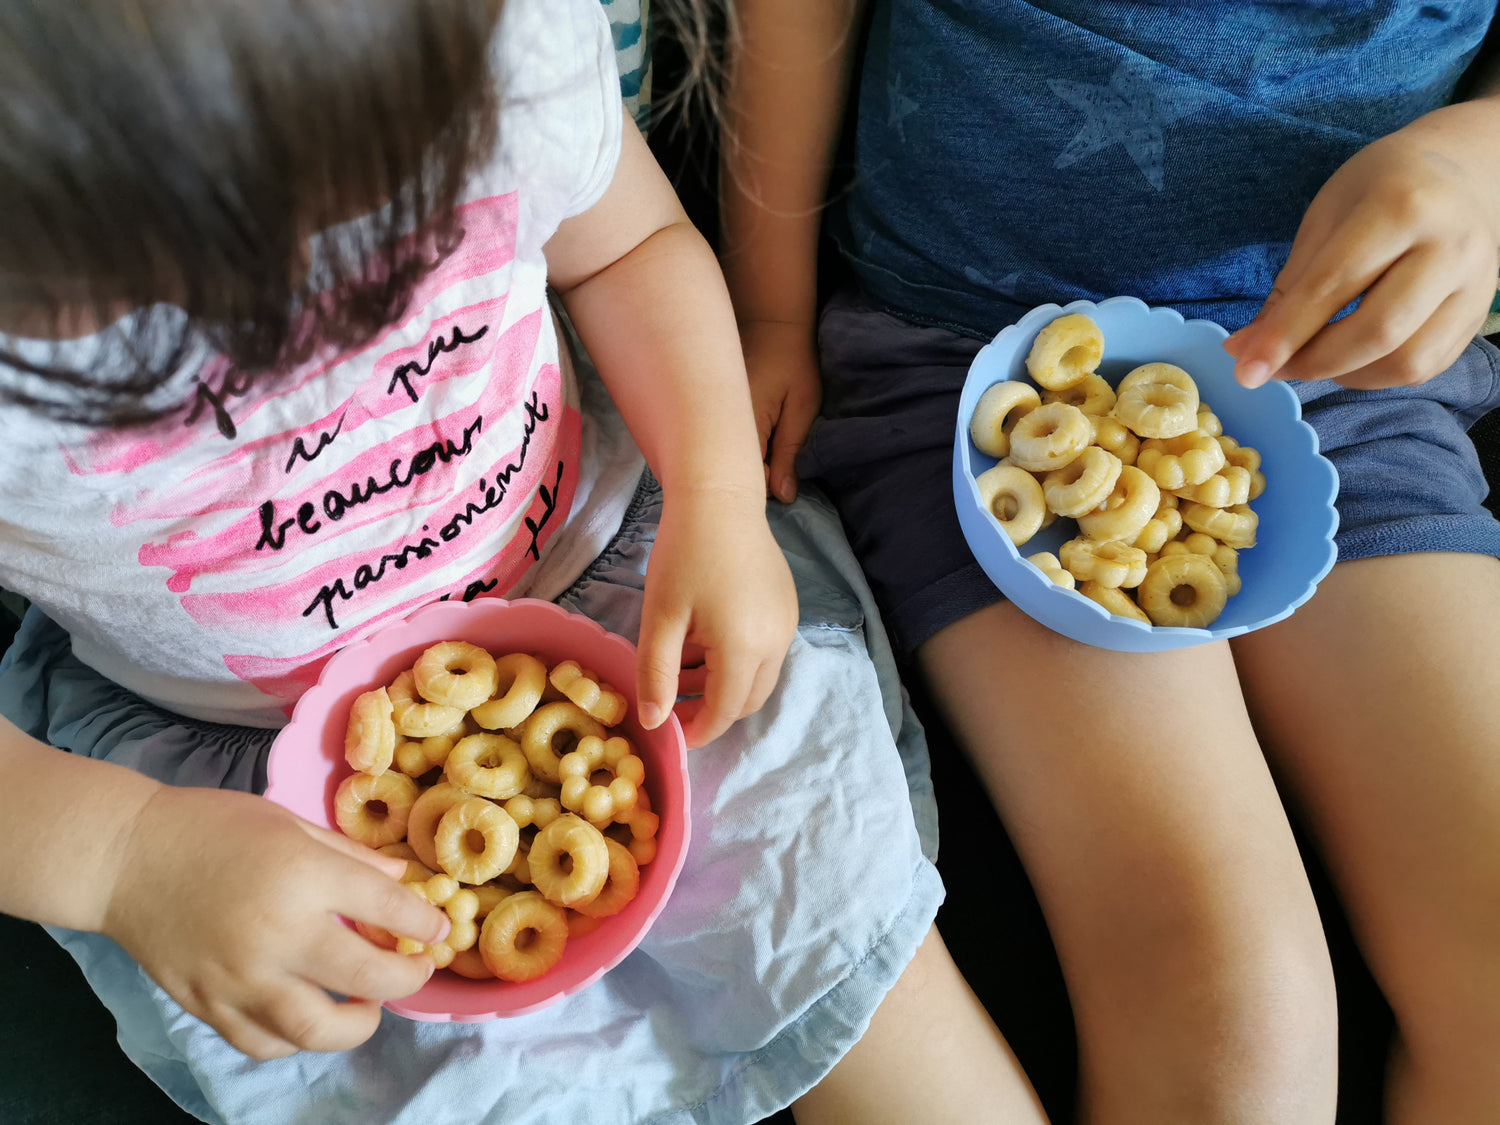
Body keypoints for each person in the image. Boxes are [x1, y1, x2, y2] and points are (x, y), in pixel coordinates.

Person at [0, 1, 1049, 1121]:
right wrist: (125, 857)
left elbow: (632, 246)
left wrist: (716, 492)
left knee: (843, 947)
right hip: (234, 799)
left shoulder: (495, 36)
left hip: (630, 592)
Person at [721, 2, 1500, 1121]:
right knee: (1242, 1035)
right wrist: (770, 313)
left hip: (1349, 381)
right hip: (976, 375)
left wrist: (1479, 162)